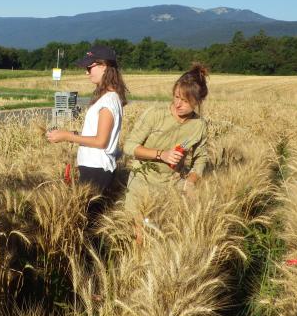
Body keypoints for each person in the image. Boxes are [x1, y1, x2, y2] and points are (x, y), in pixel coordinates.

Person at [121, 64, 209, 230]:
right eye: (176, 97)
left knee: (168, 231)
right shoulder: (155, 115)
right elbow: (129, 146)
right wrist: (161, 154)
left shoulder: (199, 125)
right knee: (139, 234)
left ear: (198, 101)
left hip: (171, 184)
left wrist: (191, 179)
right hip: (142, 181)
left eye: (185, 100)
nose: (178, 104)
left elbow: (201, 157)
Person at [46, 44, 128, 192]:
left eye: (89, 67)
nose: (86, 72)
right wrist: (73, 134)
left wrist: (67, 136)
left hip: (96, 169)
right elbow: (97, 135)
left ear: (104, 66)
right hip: (94, 167)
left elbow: (100, 141)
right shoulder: (108, 98)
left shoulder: (108, 100)